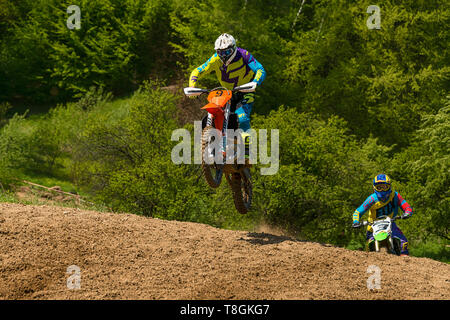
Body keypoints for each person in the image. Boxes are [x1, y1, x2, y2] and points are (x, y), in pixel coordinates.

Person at [188, 33, 266, 158]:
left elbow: (260, 69)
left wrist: (255, 82)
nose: (223, 56)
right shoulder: (215, 59)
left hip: (245, 90)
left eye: (226, 52)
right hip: (226, 93)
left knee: (243, 118)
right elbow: (197, 70)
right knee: (213, 113)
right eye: (220, 52)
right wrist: (192, 86)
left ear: (234, 48)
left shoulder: (243, 55)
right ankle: (212, 144)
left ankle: (247, 151)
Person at [352, 174, 413, 256]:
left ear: (389, 186)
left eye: (384, 187)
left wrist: (407, 213)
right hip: (372, 227)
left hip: (390, 225)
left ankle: (406, 264)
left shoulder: (395, 196)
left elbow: (406, 206)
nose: (382, 190)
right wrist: (356, 221)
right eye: (379, 187)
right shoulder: (371, 199)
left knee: (403, 244)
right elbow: (358, 212)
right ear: (374, 188)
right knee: (370, 246)